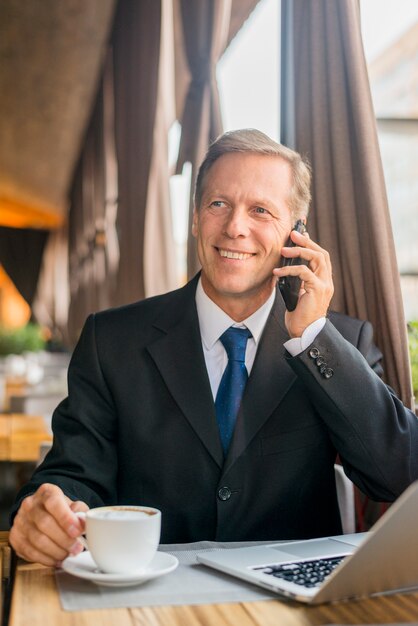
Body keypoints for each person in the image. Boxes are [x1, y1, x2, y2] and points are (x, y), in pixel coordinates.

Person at [9, 129, 418, 567]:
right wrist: (47, 512)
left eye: (261, 210)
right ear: (195, 218)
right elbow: (72, 475)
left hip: (291, 607)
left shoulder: (335, 344)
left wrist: (312, 335)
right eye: (218, 204)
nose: (235, 227)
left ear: (296, 235)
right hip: (149, 598)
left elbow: (401, 476)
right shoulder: (110, 341)